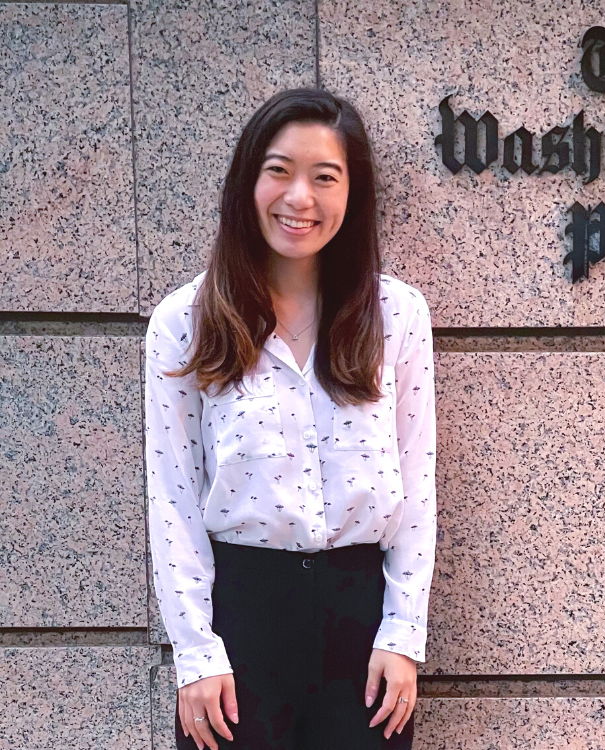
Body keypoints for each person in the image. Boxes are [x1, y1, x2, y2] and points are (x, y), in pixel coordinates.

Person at [144, 87, 437, 750]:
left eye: (324, 177)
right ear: (248, 181)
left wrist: (402, 633)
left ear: (351, 193)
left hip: (361, 631)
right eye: (278, 170)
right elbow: (174, 499)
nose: (299, 198)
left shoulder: (397, 317)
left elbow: (419, 485)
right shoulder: (185, 323)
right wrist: (196, 653)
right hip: (240, 624)